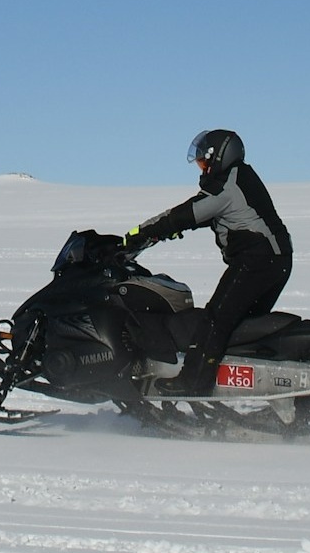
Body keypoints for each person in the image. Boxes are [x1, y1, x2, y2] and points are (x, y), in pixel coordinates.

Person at [121, 128, 293, 396]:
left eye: (204, 161)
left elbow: (186, 213)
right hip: (274, 261)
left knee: (216, 319)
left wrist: (137, 235)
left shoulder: (227, 186)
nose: (202, 168)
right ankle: (239, 386)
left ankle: (192, 383)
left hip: (257, 261)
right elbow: (214, 217)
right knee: (241, 330)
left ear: (220, 157)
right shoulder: (238, 180)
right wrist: (168, 232)